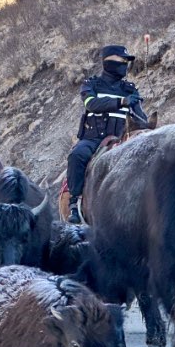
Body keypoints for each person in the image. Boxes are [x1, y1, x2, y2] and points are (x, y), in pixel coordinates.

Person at [66, 45, 149, 224]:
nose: (125, 65)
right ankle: (74, 202)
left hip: (120, 140)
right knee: (76, 155)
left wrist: (144, 121)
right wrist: (122, 102)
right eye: (122, 61)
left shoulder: (130, 89)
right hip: (92, 139)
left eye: (126, 62)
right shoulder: (91, 85)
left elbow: (140, 117)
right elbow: (91, 104)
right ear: (108, 62)